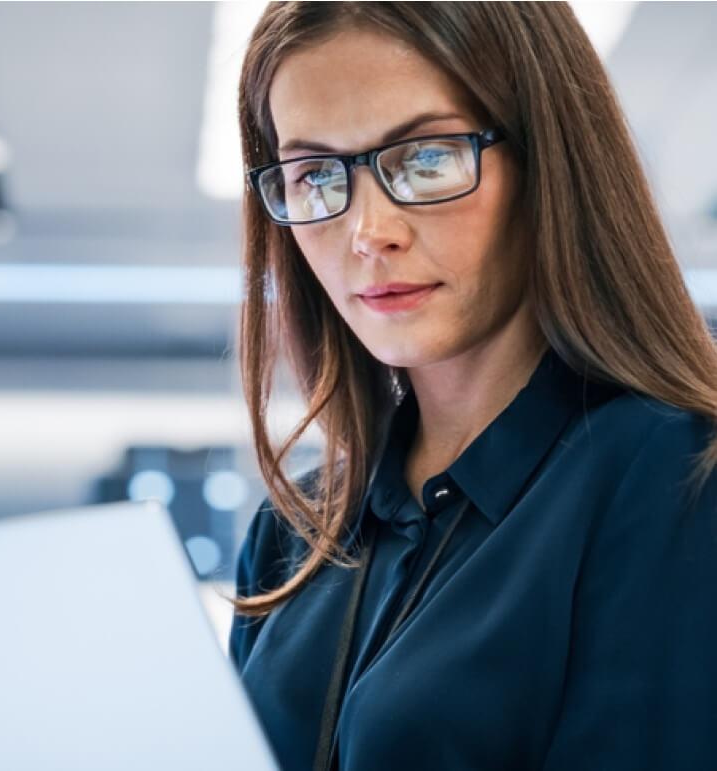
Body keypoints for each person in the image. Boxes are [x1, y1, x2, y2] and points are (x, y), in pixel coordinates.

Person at [228, 3, 717, 771]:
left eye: (427, 159)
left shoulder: (672, 475)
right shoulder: (295, 530)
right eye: (315, 174)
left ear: (546, 165)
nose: (369, 232)